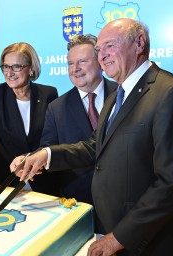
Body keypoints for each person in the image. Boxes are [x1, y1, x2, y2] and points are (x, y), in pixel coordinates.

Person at [12, 18, 173, 255]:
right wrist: (46, 155)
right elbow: (95, 147)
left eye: (110, 46)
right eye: (100, 50)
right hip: (115, 229)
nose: (103, 56)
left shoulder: (171, 92)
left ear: (139, 43)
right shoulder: (117, 97)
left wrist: (118, 238)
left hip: (151, 240)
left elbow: (171, 183)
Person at [40, 34, 117, 204]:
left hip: (121, 198)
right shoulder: (56, 108)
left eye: (82, 61)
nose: (75, 69)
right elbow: (49, 151)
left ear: (100, 62)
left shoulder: (122, 95)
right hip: (79, 201)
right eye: (70, 63)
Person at [0, 42, 59, 195]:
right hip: (8, 179)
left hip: (41, 179)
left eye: (16, 67)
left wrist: (33, 158)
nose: (9, 73)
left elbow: (52, 137)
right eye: (6, 67)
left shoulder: (48, 94)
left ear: (31, 68)